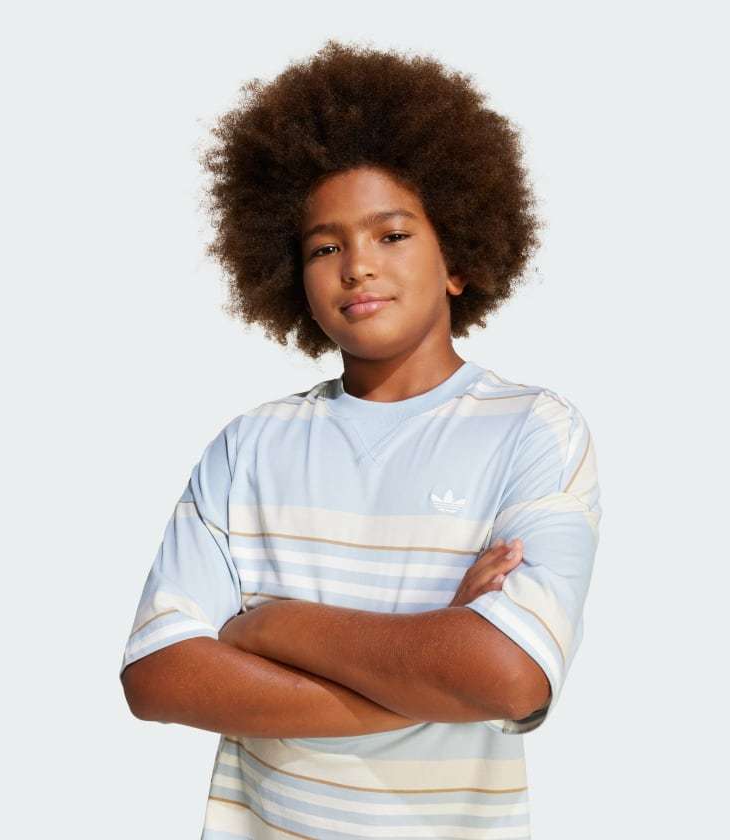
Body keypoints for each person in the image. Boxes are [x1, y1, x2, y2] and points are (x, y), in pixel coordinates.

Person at [119, 39, 603, 840]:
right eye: (325, 246)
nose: (357, 267)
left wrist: (267, 626)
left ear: (457, 259)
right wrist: (427, 675)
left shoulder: (531, 430)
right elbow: (159, 675)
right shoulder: (250, 446)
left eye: (392, 235)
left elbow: (510, 675)